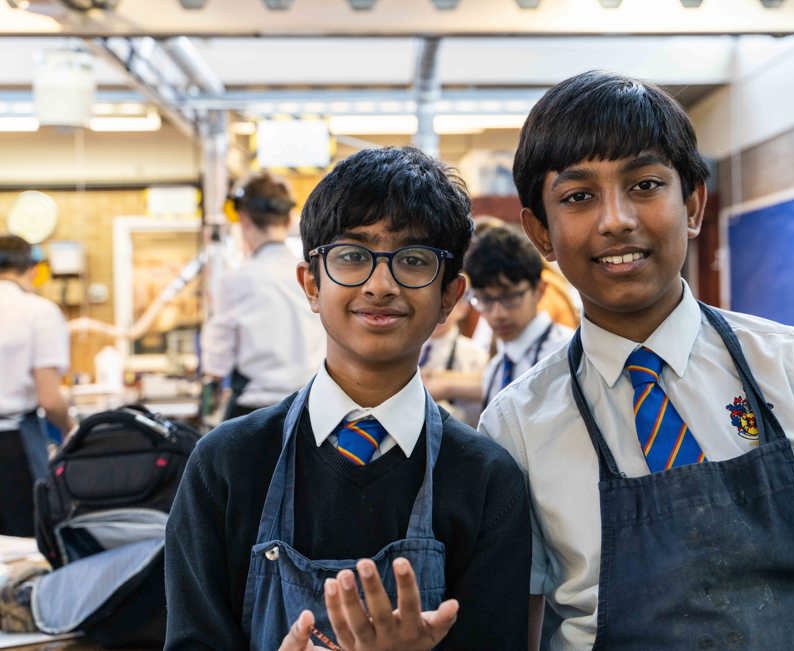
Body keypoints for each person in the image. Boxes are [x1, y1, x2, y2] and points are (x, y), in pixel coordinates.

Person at [479, 70, 794, 650]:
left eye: (645, 184)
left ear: (693, 204)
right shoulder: (515, 427)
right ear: (541, 232)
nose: (616, 219)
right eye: (579, 196)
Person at [165, 147, 531, 651]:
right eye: (353, 256)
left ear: (449, 297)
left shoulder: (487, 480)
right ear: (311, 284)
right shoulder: (224, 466)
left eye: (414, 260)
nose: (381, 285)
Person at [201, 171, 326, 420]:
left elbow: (217, 360)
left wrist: (209, 391)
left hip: (256, 412)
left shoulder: (236, 280)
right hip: (313, 408)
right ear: (290, 218)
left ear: (244, 219)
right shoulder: (314, 274)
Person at [0, 235, 73, 537]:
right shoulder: (38, 312)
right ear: (32, 269)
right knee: (25, 546)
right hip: (12, 449)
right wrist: (70, 427)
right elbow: (50, 399)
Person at [464, 226, 573, 410]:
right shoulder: (495, 369)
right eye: (486, 299)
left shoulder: (568, 353)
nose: (498, 314)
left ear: (539, 290)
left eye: (510, 297)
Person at [419, 294, 489, 426]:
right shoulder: (406, 347)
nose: (437, 314)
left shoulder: (475, 355)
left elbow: (478, 417)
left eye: (445, 306)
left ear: (463, 308)